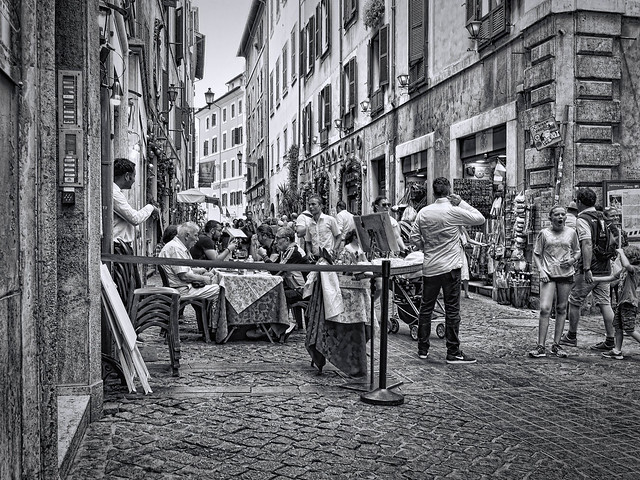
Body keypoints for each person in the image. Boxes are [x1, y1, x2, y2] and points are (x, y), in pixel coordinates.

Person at [410, 177, 485, 364]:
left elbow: (414, 238)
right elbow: (480, 218)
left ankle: (422, 348)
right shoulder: (454, 210)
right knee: (452, 309)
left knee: (426, 308)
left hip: (430, 266)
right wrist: (461, 202)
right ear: (449, 190)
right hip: (450, 267)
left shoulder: (424, 212)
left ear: (433, 192)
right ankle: (453, 351)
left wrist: (426, 247)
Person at [560, 187, 616, 351]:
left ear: (579, 202)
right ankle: (611, 339)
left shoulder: (583, 219)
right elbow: (613, 240)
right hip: (605, 267)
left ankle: (571, 336)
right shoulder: (603, 216)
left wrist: (586, 268)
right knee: (605, 303)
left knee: (574, 301)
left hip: (590, 268)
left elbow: (587, 243)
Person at [528, 206, 581, 358]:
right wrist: (541, 270)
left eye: (563, 214)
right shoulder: (544, 233)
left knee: (561, 308)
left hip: (566, 274)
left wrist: (572, 260)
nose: (560, 217)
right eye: (557, 214)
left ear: (566, 217)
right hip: (548, 274)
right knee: (545, 308)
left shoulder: (571, 233)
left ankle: (556, 345)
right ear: (550, 218)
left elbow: (577, 251)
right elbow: (536, 254)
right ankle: (540, 346)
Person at [593, 245, 640, 360]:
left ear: (631, 258)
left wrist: (621, 253)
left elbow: (627, 265)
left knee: (629, 329)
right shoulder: (624, 270)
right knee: (618, 327)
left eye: (623, 257)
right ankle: (617, 350)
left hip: (629, 303)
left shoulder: (635, 269)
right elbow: (611, 278)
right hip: (621, 303)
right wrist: (595, 279)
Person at [158, 222, 220, 301]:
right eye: (195, 235)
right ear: (187, 236)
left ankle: (206, 309)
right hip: (181, 290)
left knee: (211, 282)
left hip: (181, 287)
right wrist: (203, 279)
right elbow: (184, 276)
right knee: (219, 289)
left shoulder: (177, 246)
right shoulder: (176, 249)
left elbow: (183, 270)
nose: (197, 239)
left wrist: (201, 271)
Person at [112, 157, 159, 245]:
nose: (134, 180)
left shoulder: (115, 192)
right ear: (127, 176)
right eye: (134, 176)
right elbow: (134, 218)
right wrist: (151, 207)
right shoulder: (114, 194)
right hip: (116, 245)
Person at [305, 194, 341, 263]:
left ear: (321, 206)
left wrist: (334, 250)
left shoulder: (330, 220)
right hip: (315, 259)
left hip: (328, 258)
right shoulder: (309, 223)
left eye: (313, 204)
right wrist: (309, 252)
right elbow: (308, 241)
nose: (311, 207)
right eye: (309, 205)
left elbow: (339, 236)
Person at [459, 227, 487, 299]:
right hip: (455, 253)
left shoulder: (463, 228)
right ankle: (457, 293)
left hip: (462, 252)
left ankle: (466, 293)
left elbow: (468, 239)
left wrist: (479, 243)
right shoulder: (453, 228)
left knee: (465, 273)